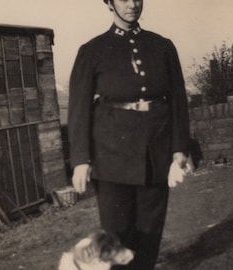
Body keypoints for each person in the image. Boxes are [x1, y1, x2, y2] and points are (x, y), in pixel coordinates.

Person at [68, 0, 191, 269]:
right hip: (111, 158)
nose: (132, 4)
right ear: (109, 3)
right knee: (116, 235)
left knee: (150, 234)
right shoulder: (92, 51)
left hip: (155, 156)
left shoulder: (162, 47)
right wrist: (80, 159)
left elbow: (178, 101)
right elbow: (78, 109)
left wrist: (179, 148)